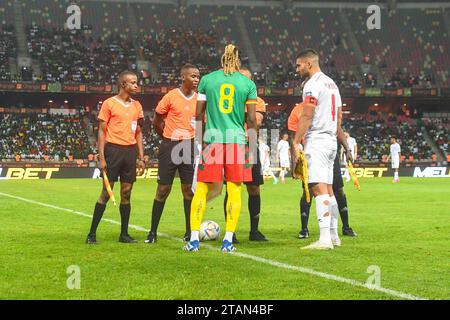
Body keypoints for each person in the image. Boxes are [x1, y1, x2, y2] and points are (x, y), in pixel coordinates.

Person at [184, 44, 257, 252]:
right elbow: (251, 119)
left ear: (222, 59)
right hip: (237, 141)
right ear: (239, 61)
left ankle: (194, 240)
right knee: (234, 189)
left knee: (202, 188)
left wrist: (200, 140)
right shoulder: (247, 84)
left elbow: (198, 114)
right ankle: (227, 240)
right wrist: (251, 147)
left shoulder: (207, 80)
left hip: (212, 140)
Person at [292, 48, 344, 250]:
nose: (297, 69)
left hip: (318, 140)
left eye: (299, 65)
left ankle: (324, 239)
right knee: (329, 189)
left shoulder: (312, 85)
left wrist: (296, 142)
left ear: (309, 64)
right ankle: (334, 236)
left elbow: (307, 115)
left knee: (317, 187)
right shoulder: (332, 84)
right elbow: (339, 116)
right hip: (331, 140)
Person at [86, 71, 145, 244]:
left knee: (126, 193)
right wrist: (102, 157)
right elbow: (102, 132)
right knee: (106, 192)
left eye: (137, 82)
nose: (136, 85)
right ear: (123, 84)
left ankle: (124, 234)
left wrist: (141, 157)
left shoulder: (137, 106)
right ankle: (92, 234)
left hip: (130, 152)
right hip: (113, 151)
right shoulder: (109, 104)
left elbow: (139, 133)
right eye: (133, 83)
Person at [145, 64, 200, 244]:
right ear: (183, 77)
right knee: (163, 190)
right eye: (193, 76)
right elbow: (156, 121)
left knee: (188, 191)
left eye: (198, 76)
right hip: (170, 145)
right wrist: (166, 139)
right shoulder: (171, 96)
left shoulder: (200, 99)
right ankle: (152, 232)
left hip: (190, 146)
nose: (196, 79)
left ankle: (189, 232)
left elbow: (201, 125)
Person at [223, 67, 268, 243]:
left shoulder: (258, 101)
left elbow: (255, 123)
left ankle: (254, 231)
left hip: (250, 146)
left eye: (249, 79)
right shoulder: (228, 100)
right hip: (232, 145)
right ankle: (230, 232)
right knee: (232, 188)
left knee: (254, 188)